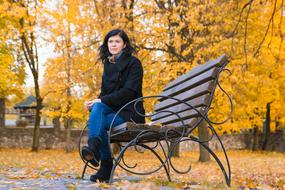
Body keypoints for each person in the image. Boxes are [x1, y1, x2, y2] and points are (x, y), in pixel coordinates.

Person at [82, 29, 145, 183]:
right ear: (107, 44)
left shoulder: (133, 63)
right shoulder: (108, 65)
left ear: (124, 45)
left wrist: (101, 102)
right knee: (97, 110)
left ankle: (101, 159)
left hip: (130, 113)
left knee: (98, 118)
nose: (113, 44)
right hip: (113, 112)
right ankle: (95, 148)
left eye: (117, 41)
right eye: (110, 41)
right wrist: (94, 102)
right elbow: (104, 95)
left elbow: (129, 92)